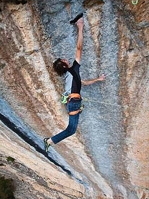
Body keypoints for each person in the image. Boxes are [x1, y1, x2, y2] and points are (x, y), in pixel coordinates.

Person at [43, 15, 104, 152]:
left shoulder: (71, 76)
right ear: (64, 66)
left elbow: (84, 83)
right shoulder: (72, 70)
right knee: (71, 130)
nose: (65, 59)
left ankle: (50, 141)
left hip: (73, 102)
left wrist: (98, 79)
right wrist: (80, 27)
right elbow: (79, 48)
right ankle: (49, 141)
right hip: (73, 102)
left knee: (71, 130)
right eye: (63, 60)